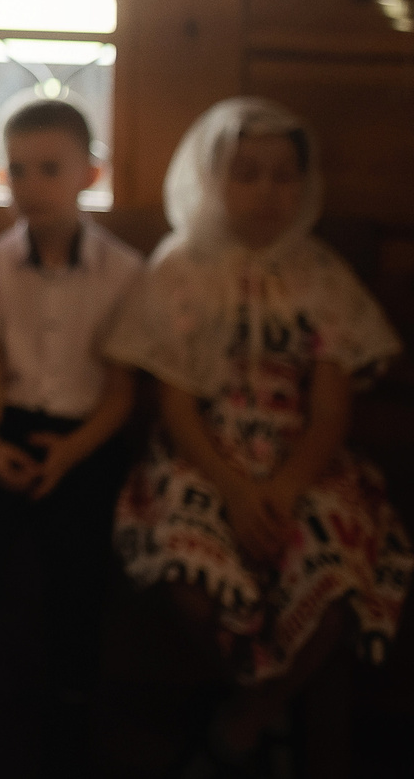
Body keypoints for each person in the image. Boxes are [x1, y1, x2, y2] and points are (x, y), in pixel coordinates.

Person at [106, 98, 408, 774]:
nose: (268, 191)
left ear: (305, 183)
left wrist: (289, 484)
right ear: (214, 180)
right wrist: (238, 491)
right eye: (247, 174)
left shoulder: (319, 272)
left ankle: (248, 717)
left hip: (301, 454)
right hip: (206, 453)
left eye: (283, 175)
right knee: (187, 565)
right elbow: (175, 401)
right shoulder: (181, 266)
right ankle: (256, 699)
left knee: (332, 561)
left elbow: (331, 404)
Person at [0, 98, 141, 712]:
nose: (31, 186)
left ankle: (72, 688)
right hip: (9, 423)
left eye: (51, 169)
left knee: (80, 553)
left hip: (87, 434)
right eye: (18, 170)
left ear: (91, 173)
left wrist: (71, 453)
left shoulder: (124, 272)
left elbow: (120, 392)